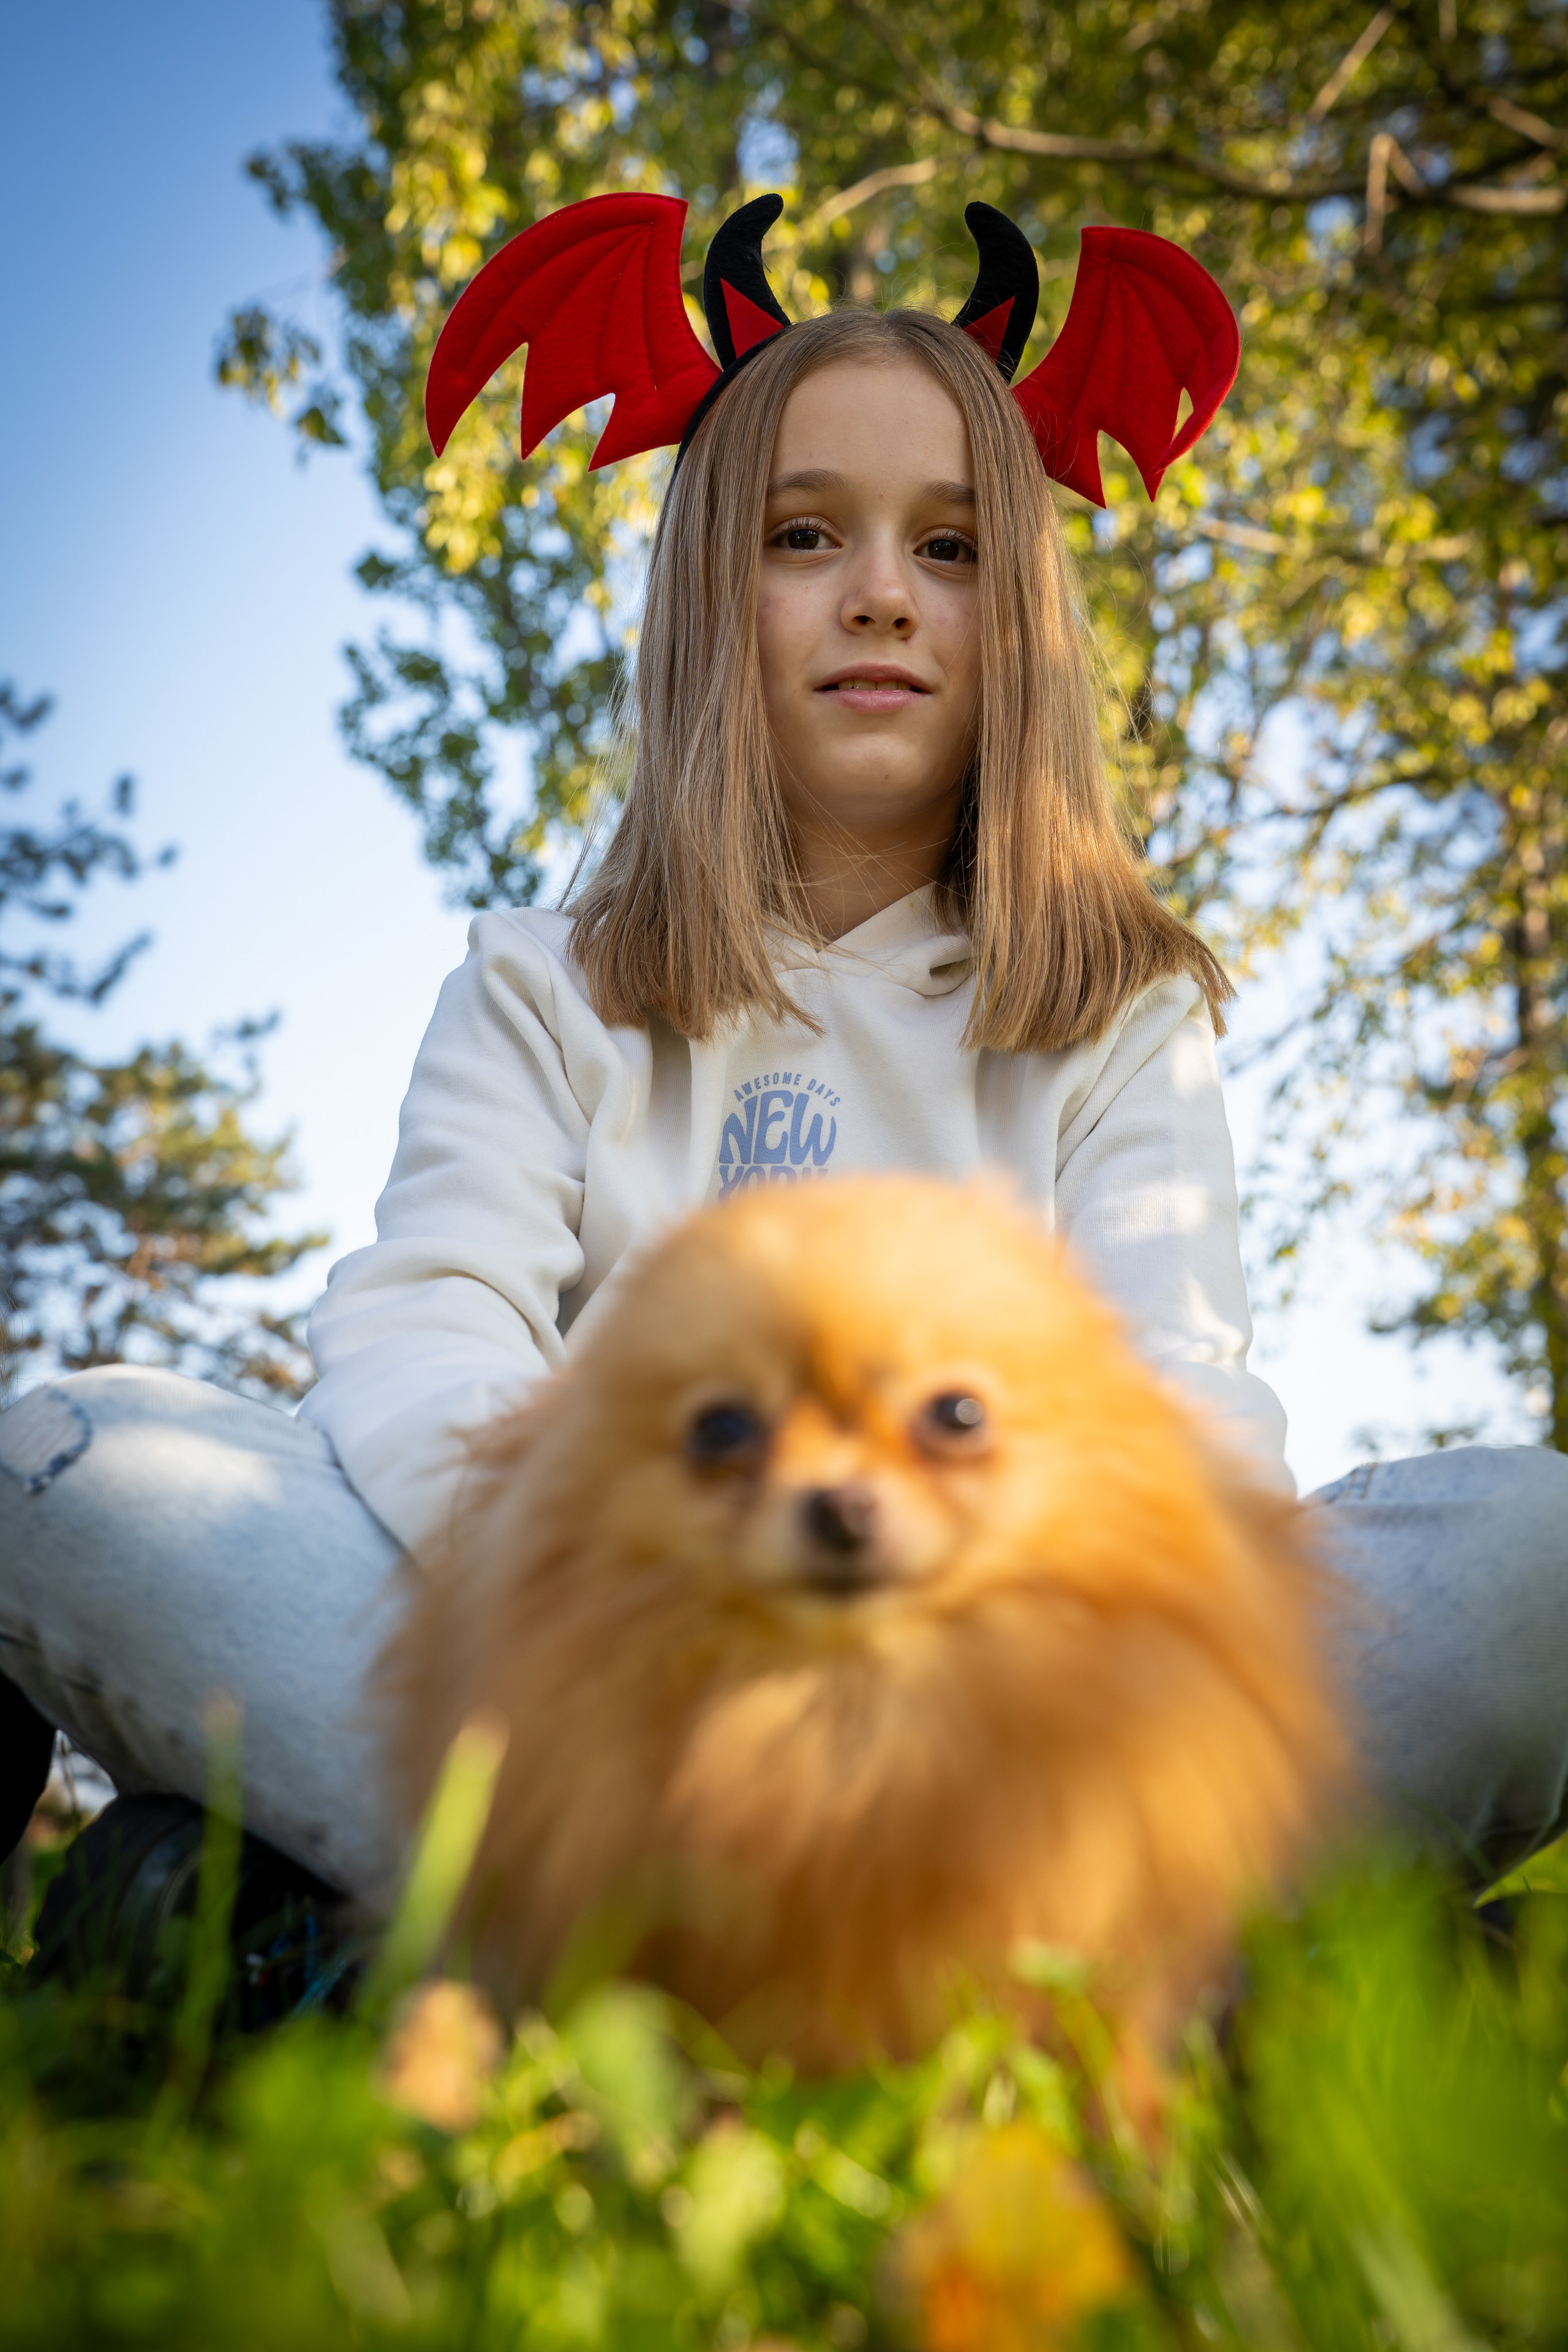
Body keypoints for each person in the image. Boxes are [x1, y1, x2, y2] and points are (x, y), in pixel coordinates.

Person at [3, 198, 1566, 1934]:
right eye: (806, 534)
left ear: (1023, 617)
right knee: (73, 1462)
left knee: (1529, 1560)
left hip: (1007, 1731)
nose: (882, 594)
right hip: (601, 1698)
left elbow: (1177, 1412)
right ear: (708, 591)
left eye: (954, 549)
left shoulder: (1119, 1013)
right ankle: (1118, 1982)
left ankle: (407, 1957)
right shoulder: (547, 985)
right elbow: (421, 1331)